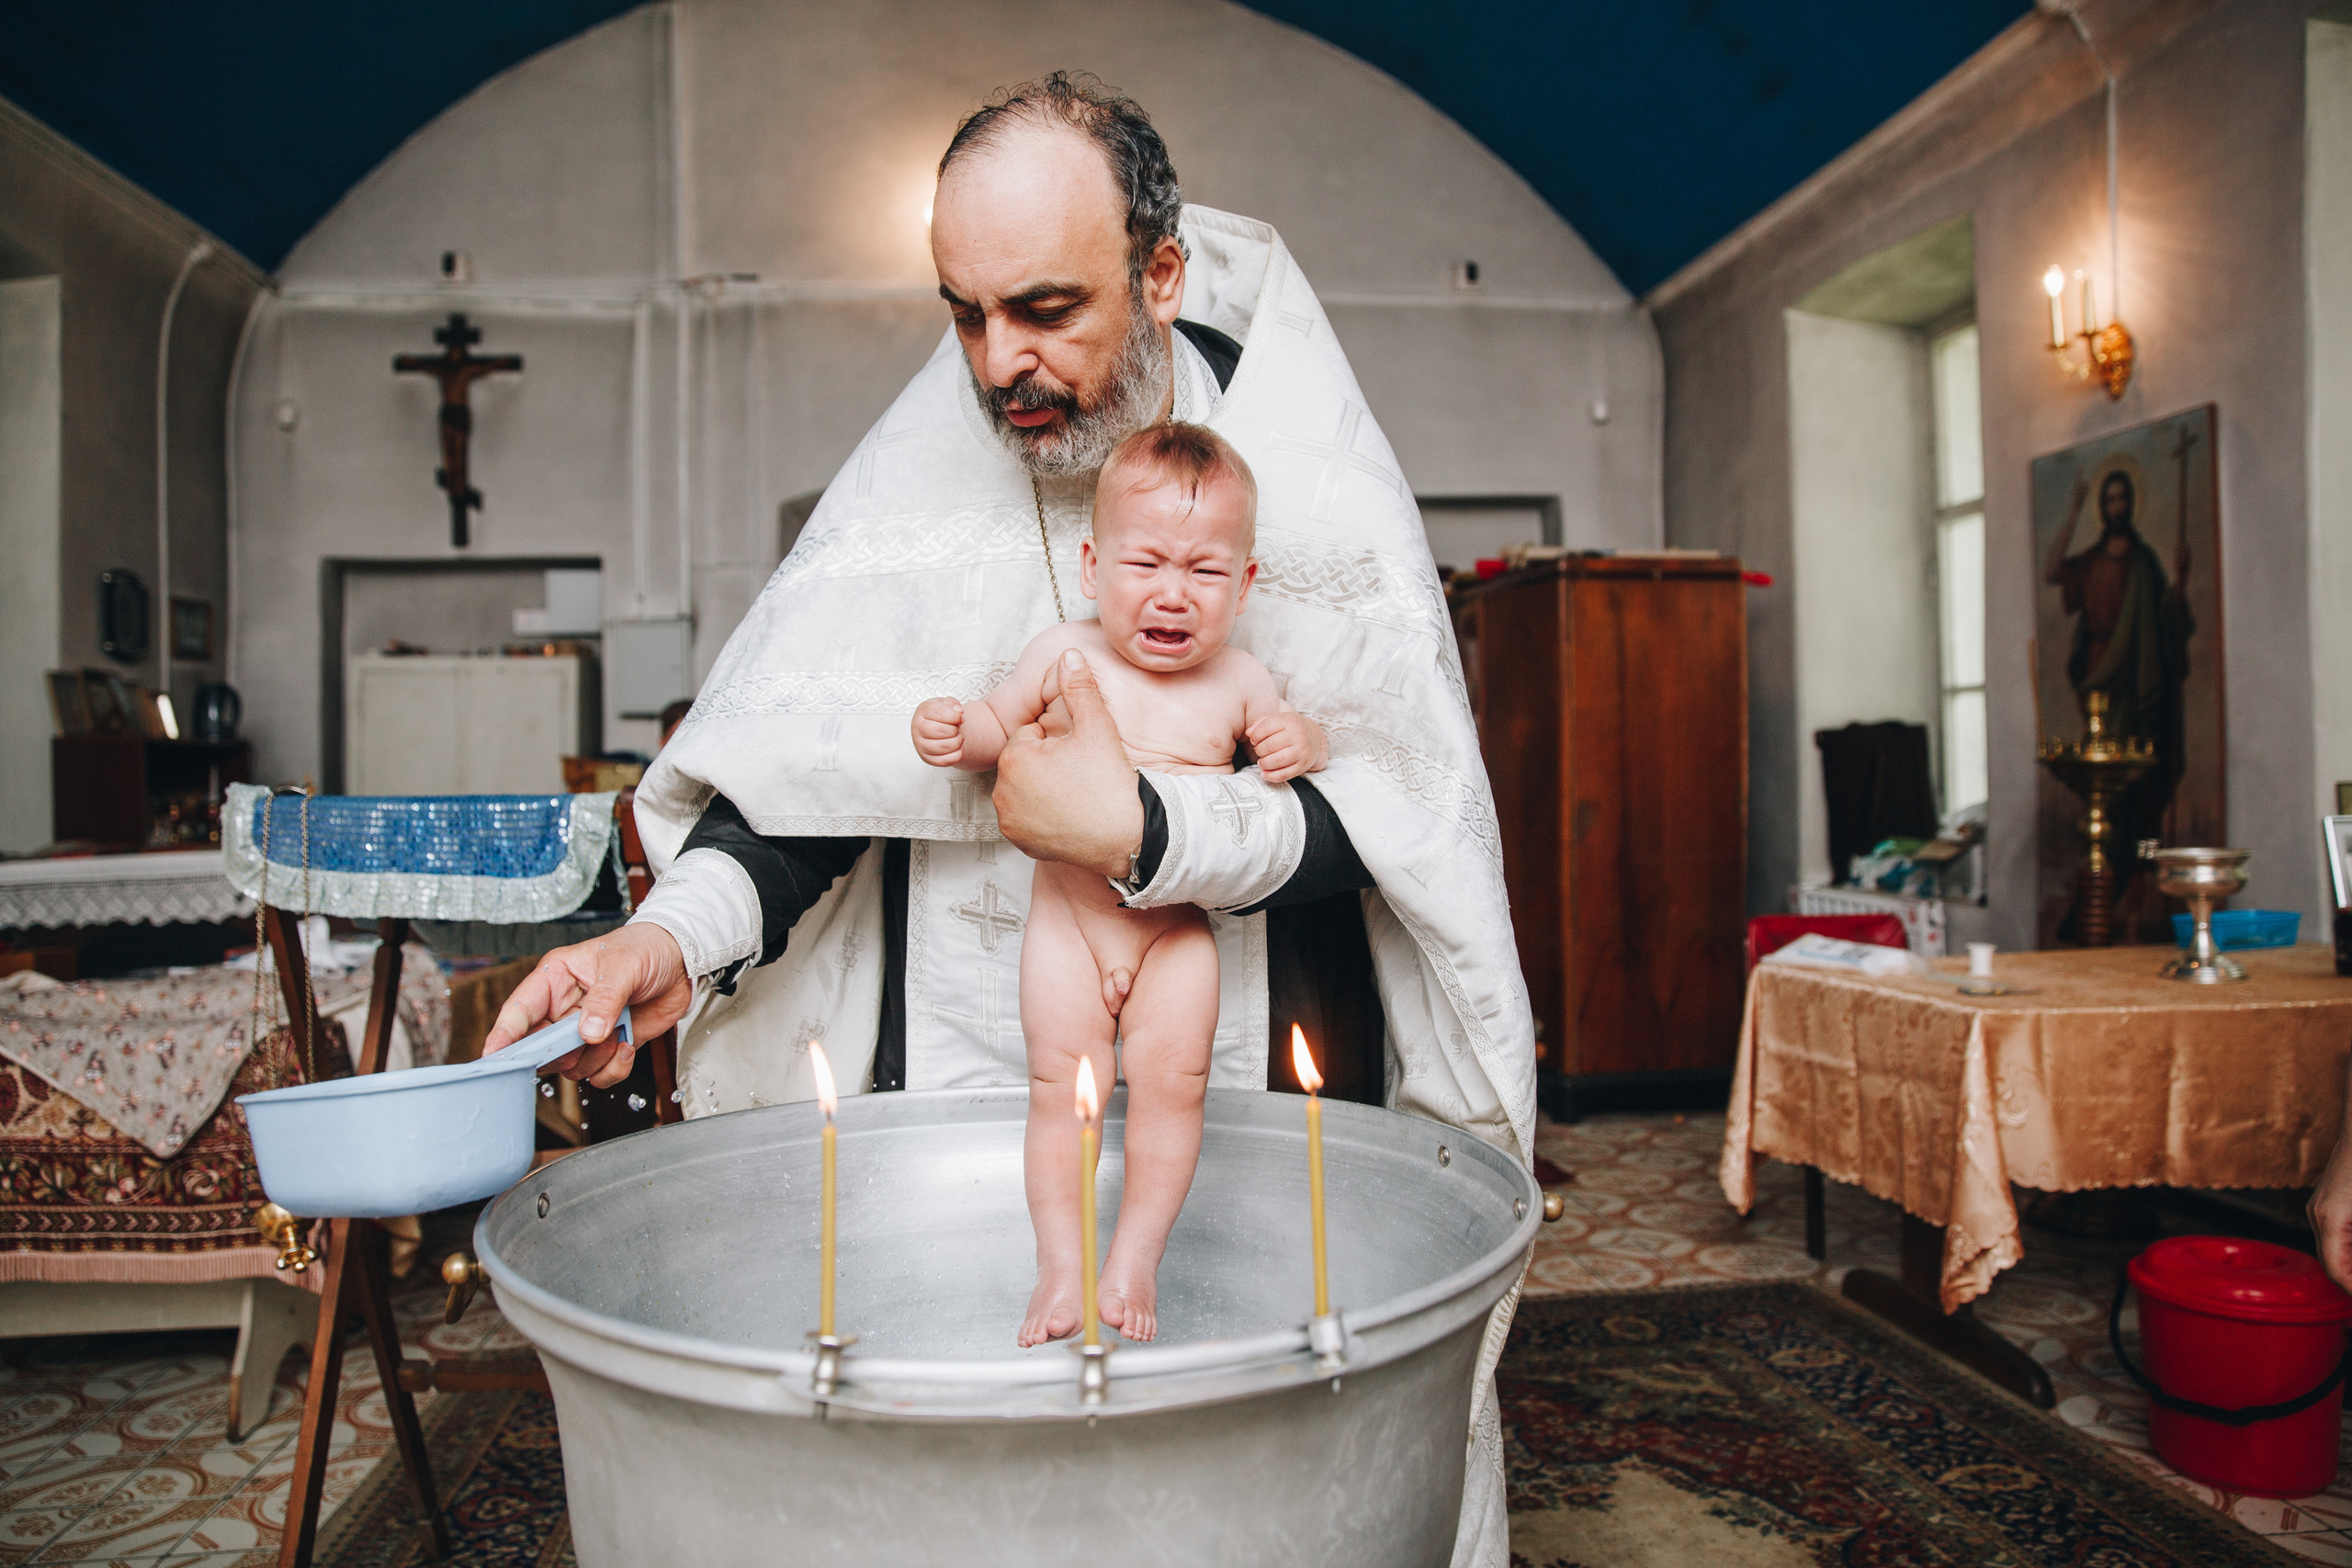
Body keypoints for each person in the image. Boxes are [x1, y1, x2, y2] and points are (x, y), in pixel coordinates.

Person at [484, 73, 1532, 1565]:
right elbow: (813, 783)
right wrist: (669, 939)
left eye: (1045, 307)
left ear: (1160, 275)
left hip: (1253, 1066)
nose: (999, 362)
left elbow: (1402, 817)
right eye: (965, 312)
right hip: (958, 1080)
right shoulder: (918, 476)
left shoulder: (1294, 471)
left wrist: (1154, 833)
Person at [912, 423, 1327, 1346]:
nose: (1172, 594)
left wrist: (1304, 742)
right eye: (1145, 564)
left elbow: (1298, 752)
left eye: (1205, 572)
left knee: (1176, 1089)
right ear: (1095, 565)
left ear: (1245, 584)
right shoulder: (1064, 652)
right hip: (1068, 924)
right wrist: (958, 732)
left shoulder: (1243, 679)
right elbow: (995, 727)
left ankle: (1135, 1256)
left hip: (1175, 935)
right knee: (1058, 1094)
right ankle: (1061, 1265)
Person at [2044, 462, 2194, 890]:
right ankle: (2103, 875)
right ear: (2101, 508)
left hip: (2136, 675)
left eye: (2121, 498)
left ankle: (2134, 864)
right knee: (2099, 785)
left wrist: (2181, 580)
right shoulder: (2091, 561)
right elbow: (2053, 571)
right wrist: (2072, 513)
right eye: (2108, 500)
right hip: (2098, 671)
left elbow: (2168, 620)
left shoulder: (2144, 563)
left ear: (2130, 504)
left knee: (2137, 784)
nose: (2116, 506)